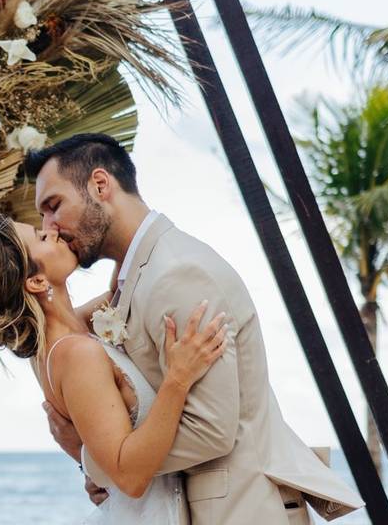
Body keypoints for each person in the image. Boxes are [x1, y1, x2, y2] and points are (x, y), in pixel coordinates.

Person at [22, 133, 365, 524]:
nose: (49, 225)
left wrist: (104, 463)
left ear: (100, 185)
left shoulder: (179, 273)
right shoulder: (130, 277)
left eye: (53, 206)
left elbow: (210, 430)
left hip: (238, 509)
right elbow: (59, 331)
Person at [0, 212, 227, 524]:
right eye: (42, 237)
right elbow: (130, 477)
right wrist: (178, 379)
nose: (52, 229)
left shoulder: (64, 336)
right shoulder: (75, 354)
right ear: (37, 281)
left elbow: (123, 288)